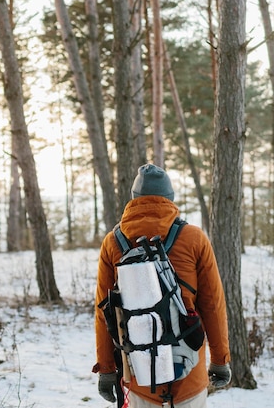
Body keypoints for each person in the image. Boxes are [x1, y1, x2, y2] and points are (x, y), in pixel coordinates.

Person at [93, 164, 231, 408]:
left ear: (134, 200)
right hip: (189, 378)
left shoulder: (113, 243)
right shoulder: (194, 238)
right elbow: (212, 305)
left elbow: (104, 313)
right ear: (170, 199)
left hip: (140, 378)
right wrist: (220, 360)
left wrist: (106, 369)